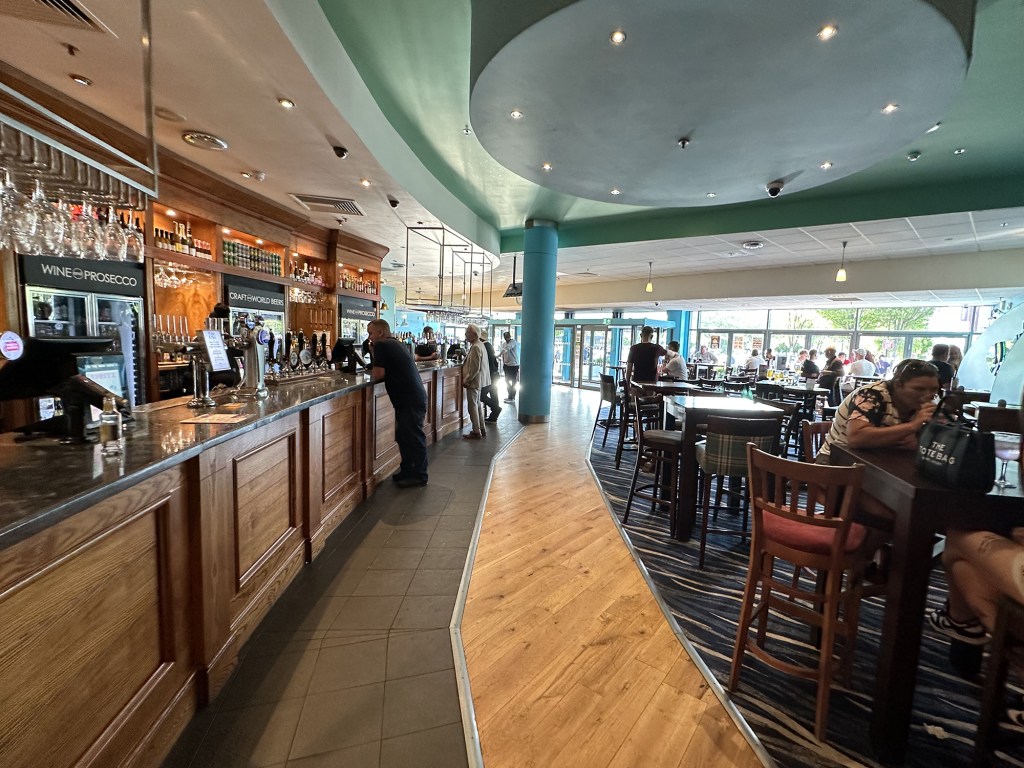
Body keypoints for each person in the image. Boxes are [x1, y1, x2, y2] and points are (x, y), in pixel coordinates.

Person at [814, 358, 940, 464]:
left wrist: (921, 441)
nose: (928, 395)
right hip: (836, 461)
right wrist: (912, 426)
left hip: (881, 462)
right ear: (897, 385)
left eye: (934, 390)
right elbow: (856, 438)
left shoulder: (920, 406)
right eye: (919, 389)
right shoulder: (871, 394)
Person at [366, 319, 428, 487]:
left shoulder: (382, 345)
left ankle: (420, 475)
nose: (369, 337)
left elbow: (378, 374)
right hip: (411, 397)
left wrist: (373, 353)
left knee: (413, 437)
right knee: (404, 436)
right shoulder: (395, 343)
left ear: (380, 332)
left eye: (370, 333)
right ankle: (408, 471)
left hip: (409, 398)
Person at [461, 323, 490, 439]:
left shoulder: (476, 347)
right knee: (477, 405)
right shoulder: (480, 345)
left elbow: (474, 368)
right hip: (480, 381)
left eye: (467, 333)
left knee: (472, 406)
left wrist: (467, 380)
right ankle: (481, 428)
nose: (465, 335)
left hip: (474, 382)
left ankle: (476, 430)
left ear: (473, 335)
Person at [480, 330, 502, 422]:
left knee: (481, 395)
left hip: (489, 375)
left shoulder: (483, 346)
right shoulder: (489, 345)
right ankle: (494, 415)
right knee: (494, 394)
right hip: (495, 373)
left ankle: (496, 409)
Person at [500, 332, 520, 402]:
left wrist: (498, 354)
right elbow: (504, 354)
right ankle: (509, 395)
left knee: (513, 381)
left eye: (508, 336)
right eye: (505, 337)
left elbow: (507, 349)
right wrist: (503, 362)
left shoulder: (513, 342)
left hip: (514, 365)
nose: (506, 338)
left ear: (510, 336)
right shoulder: (504, 344)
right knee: (506, 380)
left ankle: (512, 397)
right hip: (506, 365)